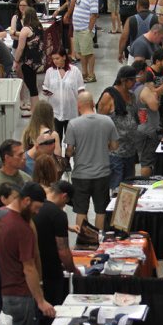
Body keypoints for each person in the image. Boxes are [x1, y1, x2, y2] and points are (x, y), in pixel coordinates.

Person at [0, 181, 55, 325]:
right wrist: (41, 300)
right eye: (36, 208)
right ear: (26, 200)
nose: (36, 213)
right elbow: (29, 267)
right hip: (19, 294)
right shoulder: (22, 227)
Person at [65, 92, 119, 232]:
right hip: (102, 174)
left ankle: (84, 241)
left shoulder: (73, 124)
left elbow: (69, 151)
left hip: (81, 175)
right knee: (101, 210)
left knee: (81, 210)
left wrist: (77, 150)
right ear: (93, 103)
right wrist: (102, 145)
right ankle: (99, 239)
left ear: (78, 106)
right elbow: (114, 146)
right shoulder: (107, 121)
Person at [34, 180, 80, 325]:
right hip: (51, 270)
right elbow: (63, 251)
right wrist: (73, 269)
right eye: (66, 203)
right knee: (53, 312)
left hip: (33, 268)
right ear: (64, 196)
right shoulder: (58, 215)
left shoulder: (35, 207)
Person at [97, 66, 139, 191]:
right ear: (123, 80)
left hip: (130, 150)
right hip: (115, 152)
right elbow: (100, 121)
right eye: (132, 80)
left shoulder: (132, 96)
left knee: (129, 188)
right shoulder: (109, 96)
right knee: (117, 187)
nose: (134, 83)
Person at [42, 48, 85, 141]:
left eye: (57, 58)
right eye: (53, 59)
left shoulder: (75, 71)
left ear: (64, 57)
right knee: (55, 140)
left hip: (71, 112)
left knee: (71, 141)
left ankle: (67, 156)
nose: (55, 61)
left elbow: (81, 90)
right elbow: (45, 86)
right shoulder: (50, 71)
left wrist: (82, 109)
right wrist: (46, 91)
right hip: (55, 113)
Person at [13, 7, 45, 110]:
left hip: (28, 61)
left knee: (32, 87)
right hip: (39, 59)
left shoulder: (26, 29)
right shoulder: (39, 27)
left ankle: (35, 110)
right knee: (33, 85)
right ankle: (34, 108)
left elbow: (20, 47)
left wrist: (16, 60)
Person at [68, 0, 98, 84]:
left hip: (85, 30)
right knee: (81, 53)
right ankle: (84, 73)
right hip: (78, 29)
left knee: (89, 53)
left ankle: (91, 74)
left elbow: (94, 15)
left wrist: (89, 30)